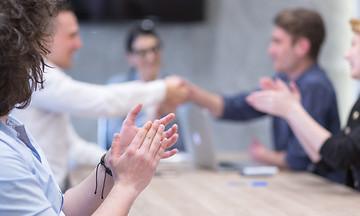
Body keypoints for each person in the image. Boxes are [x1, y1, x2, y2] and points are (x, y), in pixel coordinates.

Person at [0, 0, 179, 216]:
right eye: (35, 54)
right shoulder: (4, 158)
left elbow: (58, 213)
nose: (39, 67)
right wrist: (127, 185)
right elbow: (101, 100)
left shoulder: (12, 129)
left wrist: (112, 163)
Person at [188, 8, 344, 182]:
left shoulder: (315, 86)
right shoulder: (283, 80)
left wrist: (264, 156)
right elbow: (242, 106)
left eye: (277, 42)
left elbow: (300, 160)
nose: (271, 50)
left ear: (302, 47)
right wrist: (192, 94)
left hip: (322, 189)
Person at [246, 18, 360, 190]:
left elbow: (341, 155)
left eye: (354, 45)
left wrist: (293, 110)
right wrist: (291, 113)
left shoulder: (315, 84)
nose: (347, 54)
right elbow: (326, 159)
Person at [98, 20, 185, 151]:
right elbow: (114, 140)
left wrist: (174, 118)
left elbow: (185, 145)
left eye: (155, 49)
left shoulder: (175, 85)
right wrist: (153, 115)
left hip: (168, 162)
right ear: (130, 57)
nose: (151, 57)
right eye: (143, 53)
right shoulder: (118, 86)